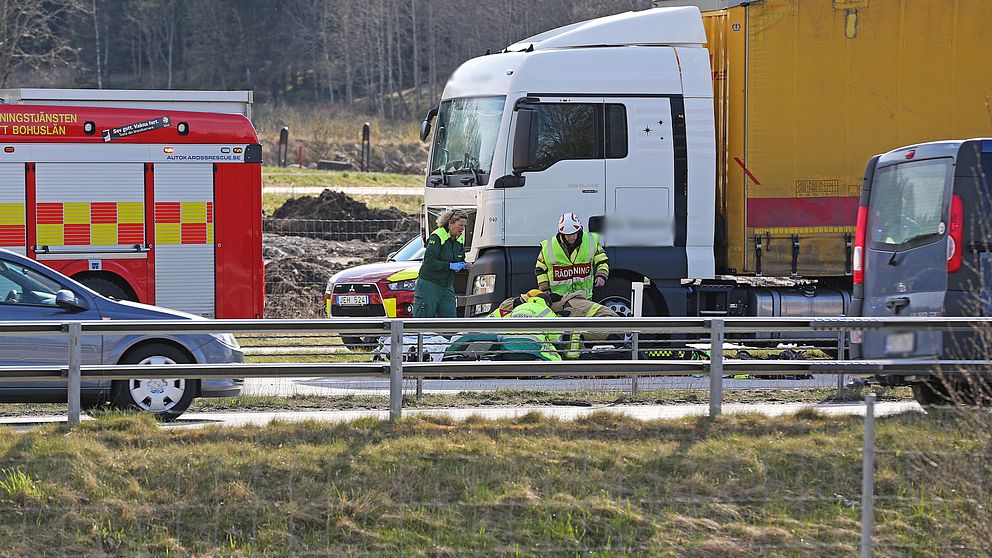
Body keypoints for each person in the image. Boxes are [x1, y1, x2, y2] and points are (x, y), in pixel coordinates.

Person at [535, 212, 609, 300]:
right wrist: (544, 287)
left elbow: (603, 261)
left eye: (574, 234)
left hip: (584, 298)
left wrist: (601, 275)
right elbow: (540, 269)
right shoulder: (548, 247)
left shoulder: (591, 241)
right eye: (568, 235)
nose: (571, 237)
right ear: (561, 233)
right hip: (559, 299)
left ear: (579, 230)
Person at [413, 209, 471, 318]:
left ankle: (448, 336)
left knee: (450, 321)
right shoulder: (437, 236)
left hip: (447, 286)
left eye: (464, 226)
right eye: (460, 225)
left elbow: (459, 259)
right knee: (423, 321)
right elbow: (429, 261)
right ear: (450, 224)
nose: (462, 229)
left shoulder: (460, 239)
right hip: (429, 284)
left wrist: (465, 265)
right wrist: (449, 266)